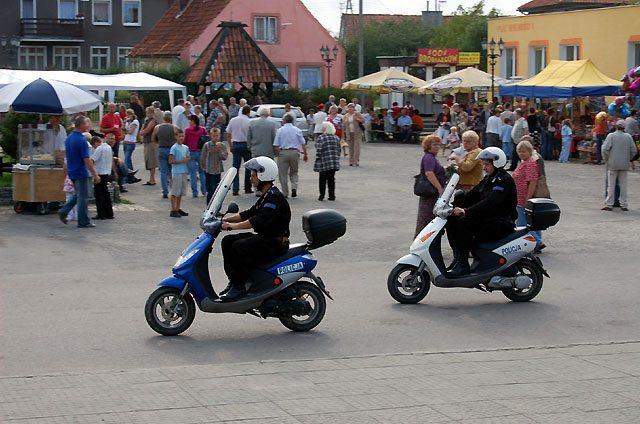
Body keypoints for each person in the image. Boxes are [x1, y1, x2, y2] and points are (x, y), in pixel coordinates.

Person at [219, 157, 291, 302]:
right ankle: (235, 281)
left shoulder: (274, 197)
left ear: (263, 175)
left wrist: (232, 227)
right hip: (266, 239)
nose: (251, 178)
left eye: (253, 175)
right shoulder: (267, 195)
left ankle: (240, 287)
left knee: (239, 247)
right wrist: (224, 219)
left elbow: (256, 221)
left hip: (275, 243)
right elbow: (249, 213)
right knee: (228, 241)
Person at [446, 147, 517, 277]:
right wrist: (451, 206)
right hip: (490, 219)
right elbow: (472, 195)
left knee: (463, 224)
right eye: (484, 164)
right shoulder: (489, 179)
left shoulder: (503, 180)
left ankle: (463, 265)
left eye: (487, 164)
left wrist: (465, 211)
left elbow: (489, 203)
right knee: (451, 220)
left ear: (497, 163)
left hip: (501, 223)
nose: (484, 167)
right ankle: (458, 258)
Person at [58, 116, 101, 228]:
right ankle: (83, 221)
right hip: (80, 171)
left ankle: (64, 210)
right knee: (83, 197)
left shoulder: (69, 138)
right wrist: (95, 174)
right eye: (86, 123)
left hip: (72, 171)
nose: (88, 125)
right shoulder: (81, 140)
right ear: (81, 125)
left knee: (78, 195)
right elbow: (86, 159)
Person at [512, 140, 543, 250]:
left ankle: (537, 242)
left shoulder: (530, 164)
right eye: (519, 151)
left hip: (524, 198)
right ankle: (537, 242)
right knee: (531, 222)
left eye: (523, 151)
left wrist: (528, 199)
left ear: (530, 151)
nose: (521, 153)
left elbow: (532, 182)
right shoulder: (524, 162)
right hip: (520, 197)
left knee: (522, 223)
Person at [602, 120, 637, 211]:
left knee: (611, 185)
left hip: (612, 163)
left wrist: (607, 159)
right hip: (624, 164)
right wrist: (629, 159)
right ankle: (624, 204)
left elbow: (605, 149)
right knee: (623, 185)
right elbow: (634, 150)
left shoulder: (611, 136)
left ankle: (609, 204)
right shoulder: (628, 137)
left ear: (616, 127)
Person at [415, 134, 446, 237]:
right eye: (434, 144)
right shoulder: (429, 157)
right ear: (428, 146)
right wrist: (439, 188)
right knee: (427, 219)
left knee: (427, 218)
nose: (437, 147)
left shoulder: (431, 157)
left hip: (431, 192)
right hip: (430, 192)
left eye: (438, 144)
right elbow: (429, 173)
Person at [273, 113, 308, 197]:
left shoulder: (280, 130)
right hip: (294, 152)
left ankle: (285, 192)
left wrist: (278, 154)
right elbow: (303, 143)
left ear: (284, 121)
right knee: (294, 172)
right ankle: (294, 187)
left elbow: (276, 144)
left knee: (283, 174)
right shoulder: (297, 130)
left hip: (283, 152)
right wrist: (305, 154)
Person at [226, 105, 253, 195]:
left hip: (236, 143)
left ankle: (235, 189)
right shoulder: (249, 121)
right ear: (248, 112)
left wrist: (230, 145)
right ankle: (247, 187)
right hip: (246, 145)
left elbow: (228, 133)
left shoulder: (233, 120)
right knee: (248, 167)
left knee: (235, 168)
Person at [200, 127, 228, 205]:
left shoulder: (222, 145)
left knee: (217, 190)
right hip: (209, 170)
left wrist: (220, 151)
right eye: (214, 135)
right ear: (211, 136)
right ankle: (209, 207)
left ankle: (216, 208)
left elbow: (224, 157)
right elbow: (203, 157)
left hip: (217, 170)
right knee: (211, 190)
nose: (215, 137)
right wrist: (203, 167)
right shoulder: (207, 145)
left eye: (217, 135)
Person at [314, 121, 341, 201]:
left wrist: (318, 158)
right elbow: (339, 150)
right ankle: (332, 196)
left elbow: (319, 150)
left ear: (325, 129)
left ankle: (321, 195)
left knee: (322, 179)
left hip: (324, 162)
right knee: (331, 179)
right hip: (333, 162)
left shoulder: (321, 138)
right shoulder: (336, 138)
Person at [89, 136, 114, 220]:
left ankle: (101, 214)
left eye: (93, 146)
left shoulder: (99, 149)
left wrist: (92, 172)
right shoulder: (108, 147)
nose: (93, 148)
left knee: (99, 195)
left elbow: (92, 160)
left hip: (99, 173)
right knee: (106, 194)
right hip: (106, 172)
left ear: (95, 142)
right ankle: (109, 213)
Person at [152, 112, 176, 198]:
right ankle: (173, 190)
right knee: (172, 171)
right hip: (171, 149)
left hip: (161, 148)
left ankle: (165, 191)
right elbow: (177, 138)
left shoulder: (157, 127)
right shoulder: (174, 127)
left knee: (163, 171)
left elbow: (153, 138)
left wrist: (158, 143)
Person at [183, 114, 208, 197]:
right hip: (201, 152)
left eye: (190, 120)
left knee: (193, 174)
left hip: (191, 152)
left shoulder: (187, 130)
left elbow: (185, 141)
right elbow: (206, 138)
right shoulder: (202, 129)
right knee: (202, 172)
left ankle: (195, 192)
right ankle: (204, 190)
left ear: (193, 121)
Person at [168, 128, 190, 218]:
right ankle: (173, 209)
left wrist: (187, 160)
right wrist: (181, 161)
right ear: (176, 137)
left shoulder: (185, 147)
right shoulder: (174, 147)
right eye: (179, 136)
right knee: (175, 191)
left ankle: (178, 207)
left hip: (183, 171)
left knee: (181, 191)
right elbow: (171, 160)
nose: (181, 138)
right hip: (176, 172)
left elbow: (188, 156)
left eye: (182, 136)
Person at [139, 106, 158, 186]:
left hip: (151, 142)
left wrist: (142, 132)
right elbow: (142, 130)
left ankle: (152, 179)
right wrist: (142, 131)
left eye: (150, 112)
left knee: (151, 161)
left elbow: (147, 130)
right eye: (147, 112)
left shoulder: (153, 121)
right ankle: (151, 178)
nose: (148, 114)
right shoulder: (147, 120)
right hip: (146, 142)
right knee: (148, 160)